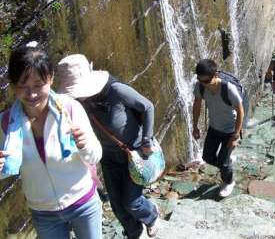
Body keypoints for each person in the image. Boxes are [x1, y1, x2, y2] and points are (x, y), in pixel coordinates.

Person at [0, 43, 103, 239]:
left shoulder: (70, 109)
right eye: (23, 86)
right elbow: (5, 171)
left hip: (83, 203)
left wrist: (84, 145)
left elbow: (95, 155)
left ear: (51, 79)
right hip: (43, 213)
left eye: (39, 85)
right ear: (13, 86)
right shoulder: (5, 124)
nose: (32, 94)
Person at [57, 54, 159, 239]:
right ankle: (134, 233)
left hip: (133, 154)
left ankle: (151, 215)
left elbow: (148, 107)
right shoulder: (77, 103)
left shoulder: (116, 90)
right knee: (117, 206)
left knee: (132, 202)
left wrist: (147, 141)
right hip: (108, 157)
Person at [192, 59, 244, 198]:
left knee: (223, 163)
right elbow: (197, 105)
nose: (204, 84)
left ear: (215, 75)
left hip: (230, 131)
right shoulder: (200, 86)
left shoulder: (228, 88)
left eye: (206, 81)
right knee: (207, 157)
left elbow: (240, 111)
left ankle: (229, 181)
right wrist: (195, 126)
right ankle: (226, 163)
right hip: (214, 128)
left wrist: (236, 136)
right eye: (200, 79)